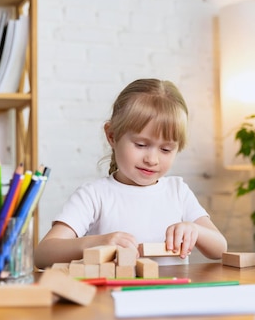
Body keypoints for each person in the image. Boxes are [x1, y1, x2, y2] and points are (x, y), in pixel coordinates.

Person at [35, 79, 227, 269]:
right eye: (141, 145)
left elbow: (220, 249)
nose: (152, 159)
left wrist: (195, 230)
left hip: (171, 298)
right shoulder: (94, 195)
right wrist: (97, 242)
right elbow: (43, 254)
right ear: (112, 136)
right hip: (112, 298)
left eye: (166, 149)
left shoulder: (178, 191)